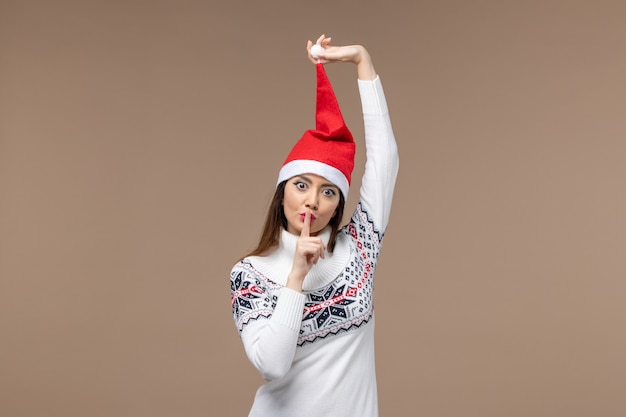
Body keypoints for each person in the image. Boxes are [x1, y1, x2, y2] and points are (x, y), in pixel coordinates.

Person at [229, 34, 399, 417]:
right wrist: (295, 279)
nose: (311, 200)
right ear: (282, 192)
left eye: (328, 191)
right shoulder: (249, 274)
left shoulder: (359, 248)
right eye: (301, 185)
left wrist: (362, 61)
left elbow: (385, 160)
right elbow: (271, 365)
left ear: (338, 203)